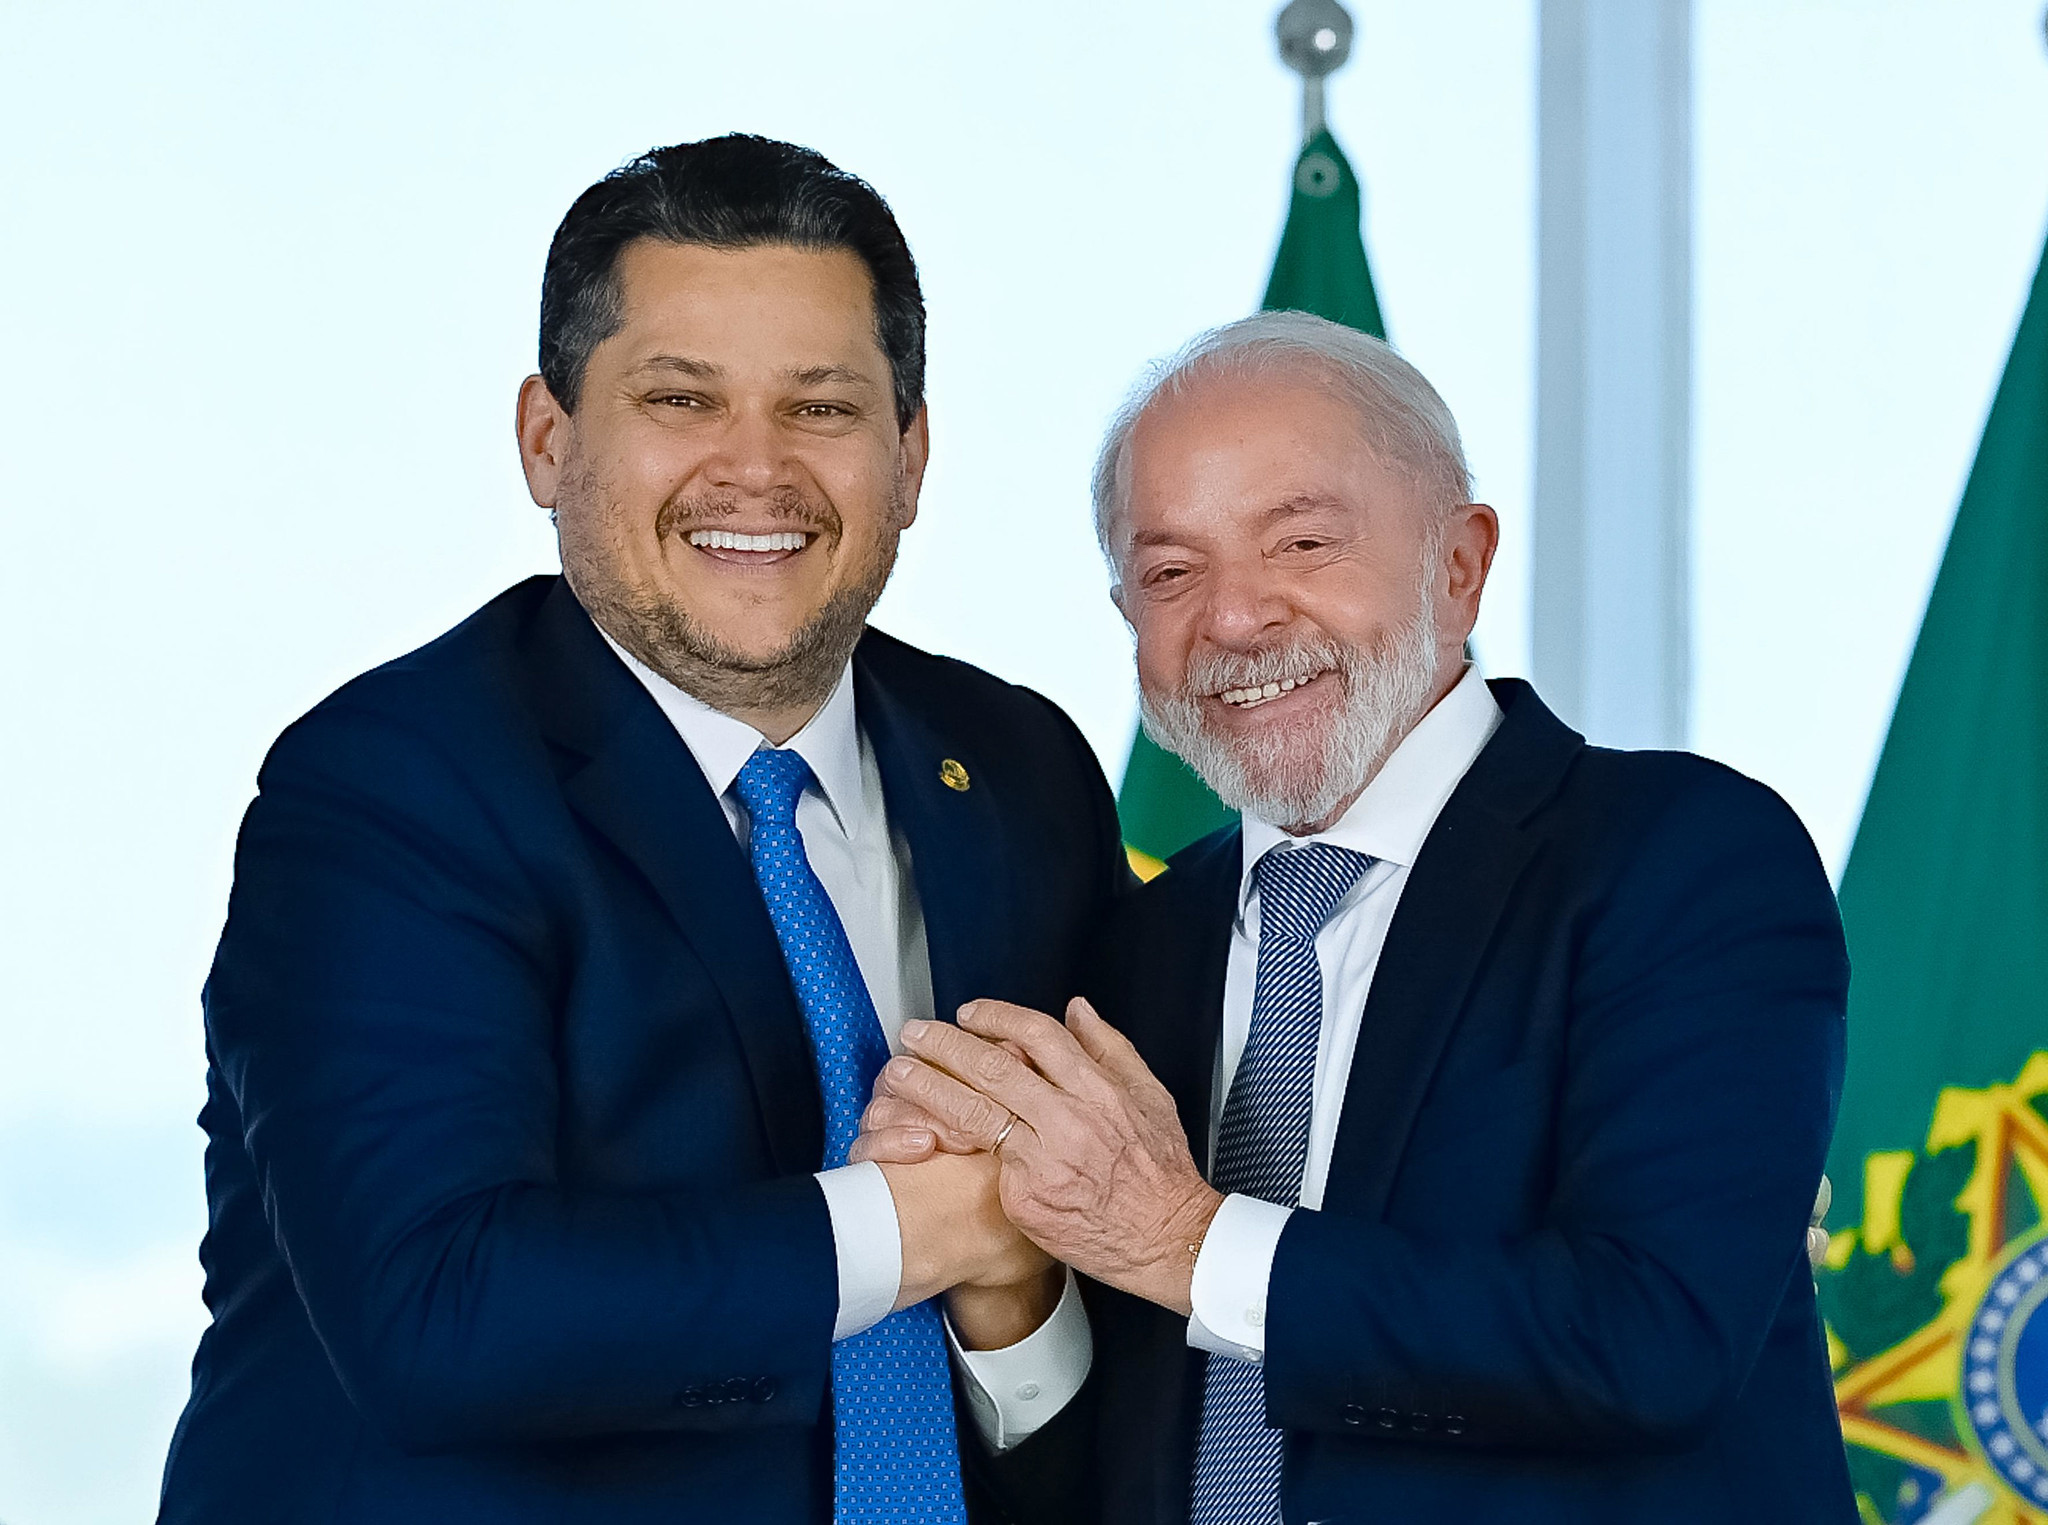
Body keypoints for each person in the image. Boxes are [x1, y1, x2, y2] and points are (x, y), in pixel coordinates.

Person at [157, 135, 1122, 1525]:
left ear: (910, 456)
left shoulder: (1020, 770)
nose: (755, 470)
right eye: (681, 398)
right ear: (548, 442)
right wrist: (933, 1223)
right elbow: (443, 1313)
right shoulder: (390, 787)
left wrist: (1016, 1297)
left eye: (823, 408)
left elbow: (1069, 1314)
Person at [860, 311, 1857, 1523]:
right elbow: (1123, 1452)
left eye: (1301, 542)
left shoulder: (1681, 857)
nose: (1232, 619)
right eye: (1169, 572)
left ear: (1459, 563)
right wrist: (1008, 1292)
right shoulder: (1138, 943)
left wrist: (1185, 1236)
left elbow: (1651, 1339)